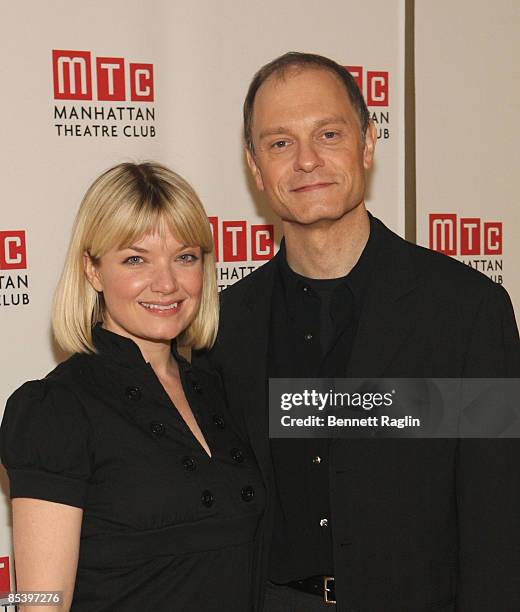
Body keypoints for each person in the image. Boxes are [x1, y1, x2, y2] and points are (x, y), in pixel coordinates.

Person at [194, 52, 520, 611]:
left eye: (327, 133)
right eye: (279, 143)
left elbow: (498, 518)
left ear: (367, 143)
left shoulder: (468, 311)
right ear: (254, 166)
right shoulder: (221, 326)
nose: (305, 161)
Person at [0, 162, 265, 612]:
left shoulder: (217, 390)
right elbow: (40, 603)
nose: (166, 283)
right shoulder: (58, 410)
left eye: (185, 256)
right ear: (93, 270)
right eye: (135, 259)